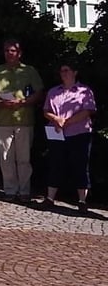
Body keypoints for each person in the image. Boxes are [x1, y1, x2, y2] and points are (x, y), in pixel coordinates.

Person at [0, 38, 44, 201]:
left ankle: (24, 191)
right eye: (7, 51)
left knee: (24, 158)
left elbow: (39, 93)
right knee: (5, 158)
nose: (9, 54)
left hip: (24, 120)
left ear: (19, 53)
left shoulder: (29, 71)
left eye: (13, 51)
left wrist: (23, 102)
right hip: (2, 120)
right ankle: (10, 190)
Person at [37, 62, 96, 213]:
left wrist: (66, 122)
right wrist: (56, 120)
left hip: (79, 133)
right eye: (61, 70)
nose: (63, 73)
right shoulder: (53, 91)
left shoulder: (84, 91)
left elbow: (88, 111)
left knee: (80, 166)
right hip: (57, 134)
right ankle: (50, 198)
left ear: (75, 72)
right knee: (55, 163)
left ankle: (82, 201)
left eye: (66, 70)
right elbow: (46, 111)